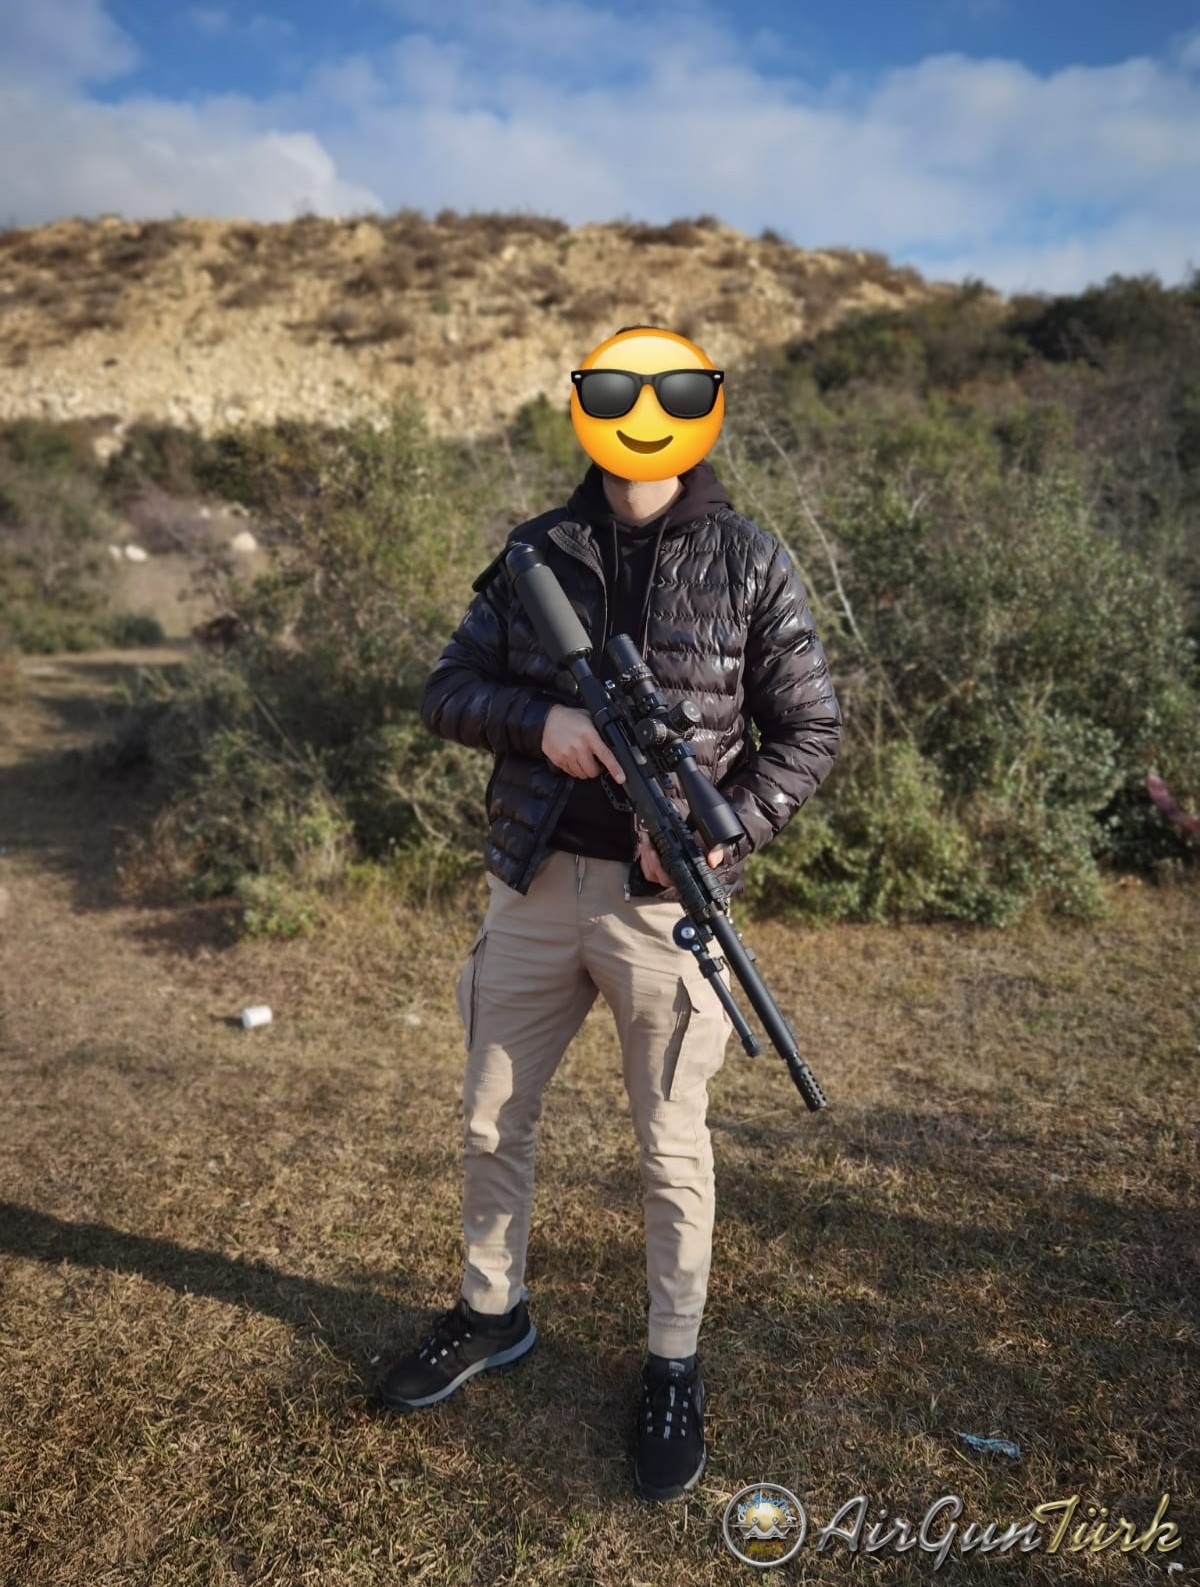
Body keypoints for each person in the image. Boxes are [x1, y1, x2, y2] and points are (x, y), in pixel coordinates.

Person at [377, 329, 842, 1502]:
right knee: (492, 1119)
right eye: (623, 390)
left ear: (704, 409)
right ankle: (492, 1312)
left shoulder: (749, 559)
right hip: (535, 886)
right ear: (587, 406)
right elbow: (447, 690)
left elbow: (809, 731)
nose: (648, 412)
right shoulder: (536, 551)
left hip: (664, 910)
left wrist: (725, 828)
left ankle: (672, 1364)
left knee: (671, 1146)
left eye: (675, 390)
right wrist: (545, 726)